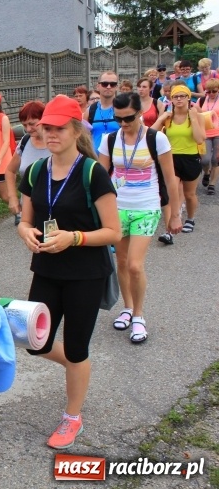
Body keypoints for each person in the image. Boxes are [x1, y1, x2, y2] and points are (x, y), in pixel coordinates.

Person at [17, 95, 121, 449]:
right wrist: (25, 233)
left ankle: (72, 415)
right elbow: (25, 220)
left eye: (58, 128)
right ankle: (79, 367)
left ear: (76, 130)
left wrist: (73, 238)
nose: (50, 134)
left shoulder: (93, 172)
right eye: (46, 128)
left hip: (85, 272)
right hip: (46, 267)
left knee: (76, 348)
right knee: (35, 341)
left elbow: (113, 232)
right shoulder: (35, 171)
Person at [97, 93, 181, 344]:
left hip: (146, 206)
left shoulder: (157, 139)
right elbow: (100, 176)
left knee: (135, 264)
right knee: (120, 262)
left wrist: (175, 214)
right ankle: (127, 306)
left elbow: (170, 179)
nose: (123, 124)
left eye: (129, 118)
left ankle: (139, 315)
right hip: (117, 207)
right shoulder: (109, 140)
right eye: (118, 119)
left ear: (140, 113)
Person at [151, 84, 205, 236]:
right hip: (171, 158)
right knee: (172, 190)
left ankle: (191, 218)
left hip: (191, 158)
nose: (179, 99)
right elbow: (151, 133)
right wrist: (161, 117)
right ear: (172, 99)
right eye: (176, 96)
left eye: (182, 96)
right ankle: (173, 222)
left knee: (189, 194)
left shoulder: (197, 116)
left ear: (188, 98)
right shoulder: (168, 118)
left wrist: (193, 118)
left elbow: (199, 139)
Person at [6, 101, 48, 226]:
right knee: (34, 243)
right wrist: (12, 197)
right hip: (29, 209)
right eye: (24, 125)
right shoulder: (25, 142)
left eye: (32, 124)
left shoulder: (56, 142)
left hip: (56, 207)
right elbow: (9, 171)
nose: (28, 129)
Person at [87, 71, 120, 151]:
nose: (108, 87)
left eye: (112, 84)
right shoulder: (90, 110)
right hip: (95, 160)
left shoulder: (123, 108)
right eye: (105, 84)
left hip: (117, 160)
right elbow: (83, 138)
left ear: (117, 87)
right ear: (98, 86)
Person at [197, 78, 219, 194]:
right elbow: (197, 114)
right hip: (205, 133)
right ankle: (206, 173)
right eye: (208, 91)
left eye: (214, 91)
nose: (211, 94)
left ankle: (212, 184)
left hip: (218, 133)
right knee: (205, 160)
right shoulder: (201, 100)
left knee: (216, 159)